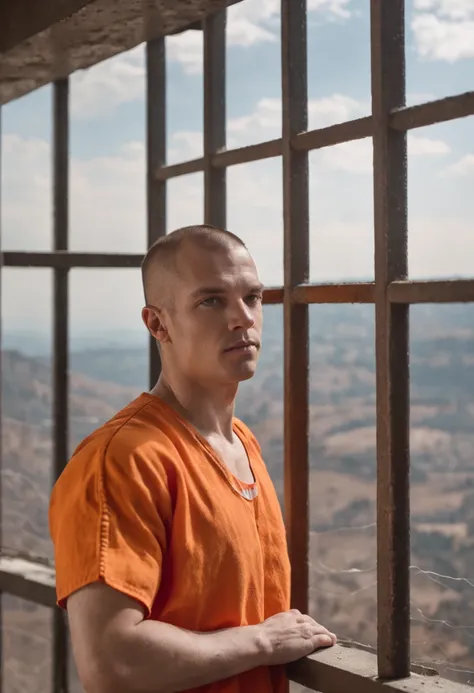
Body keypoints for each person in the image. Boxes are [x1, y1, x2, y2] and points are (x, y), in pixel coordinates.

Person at [49, 224, 336, 693]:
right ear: (157, 324)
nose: (242, 318)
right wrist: (262, 643)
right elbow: (111, 663)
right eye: (211, 301)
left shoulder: (242, 442)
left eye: (252, 297)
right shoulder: (121, 460)